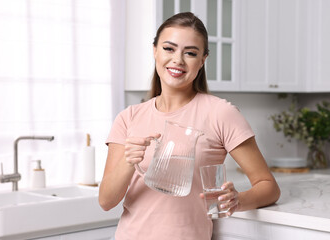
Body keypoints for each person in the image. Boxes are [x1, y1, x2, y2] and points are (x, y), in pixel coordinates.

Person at [99, 12, 280, 240]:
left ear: (203, 60)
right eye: (169, 48)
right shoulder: (129, 117)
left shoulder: (221, 113)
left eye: (190, 53)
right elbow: (106, 201)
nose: (178, 60)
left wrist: (237, 200)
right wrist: (128, 161)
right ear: (154, 50)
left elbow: (269, 187)